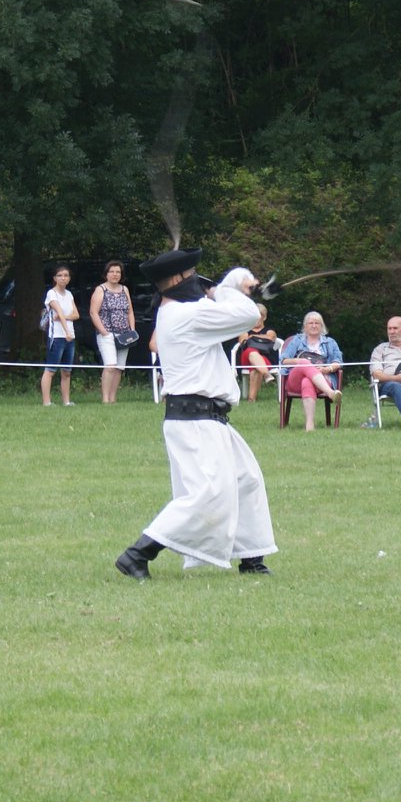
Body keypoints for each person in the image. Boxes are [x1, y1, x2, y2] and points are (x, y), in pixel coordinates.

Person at [114, 248, 276, 580]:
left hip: (207, 417)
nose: (197, 282)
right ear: (176, 279)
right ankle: (137, 554)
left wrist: (233, 285)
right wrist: (235, 283)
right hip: (195, 419)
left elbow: (226, 306)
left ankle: (251, 558)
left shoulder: (181, 311)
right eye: (190, 276)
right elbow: (247, 315)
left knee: (246, 479)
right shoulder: (187, 315)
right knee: (208, 493)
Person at [278, 311, 343, 431]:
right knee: (304, 362)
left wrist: (327, 369)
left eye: (317, 323)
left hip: (323, 379)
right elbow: (283, 360)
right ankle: (330, 393)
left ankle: (309, 425)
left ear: (322, 326)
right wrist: (299, 362)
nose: (314, 325)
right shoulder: (297, 340)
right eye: (310, 323)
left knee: (307, 381)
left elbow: (338, 362)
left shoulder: (330, 342)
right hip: (295, 380)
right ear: (305, 326)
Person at [89, 259, 135, 404]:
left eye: (118, 272)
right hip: (107, 334)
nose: (115, 274)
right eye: (112, 272)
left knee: (119, 368)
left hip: (125, 335)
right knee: (110, 366)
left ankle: (113, 399)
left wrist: (132, 330)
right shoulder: (100, 290)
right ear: (106, 274)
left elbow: (130, 311)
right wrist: (104, 332)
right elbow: (93, 312)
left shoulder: (124, 289)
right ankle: (105, 399)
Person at [41, 264, 79, 407]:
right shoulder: (52, 293)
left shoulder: (69, 294)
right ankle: (47, 402)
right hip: (57, 336)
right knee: (50, 370)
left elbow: (76, 315)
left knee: (67, 371)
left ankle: (66, 401)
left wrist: (67, 322)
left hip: (70, 337)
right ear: (55, 278)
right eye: (60, 275)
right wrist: (66, 331)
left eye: (66, 275)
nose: (63, 278)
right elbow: (59, 313)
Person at [234, 310, 279, 402]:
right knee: (251, 351)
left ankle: (251, 399)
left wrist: (252, 337)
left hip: (265, 358)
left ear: (264, 317)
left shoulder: (270, 331)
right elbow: (242, 341)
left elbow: (271, 338)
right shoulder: (245, 331)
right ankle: (266, 374)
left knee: (255, 368)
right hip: (246, 358)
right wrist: (261, 337)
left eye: (259, 316)